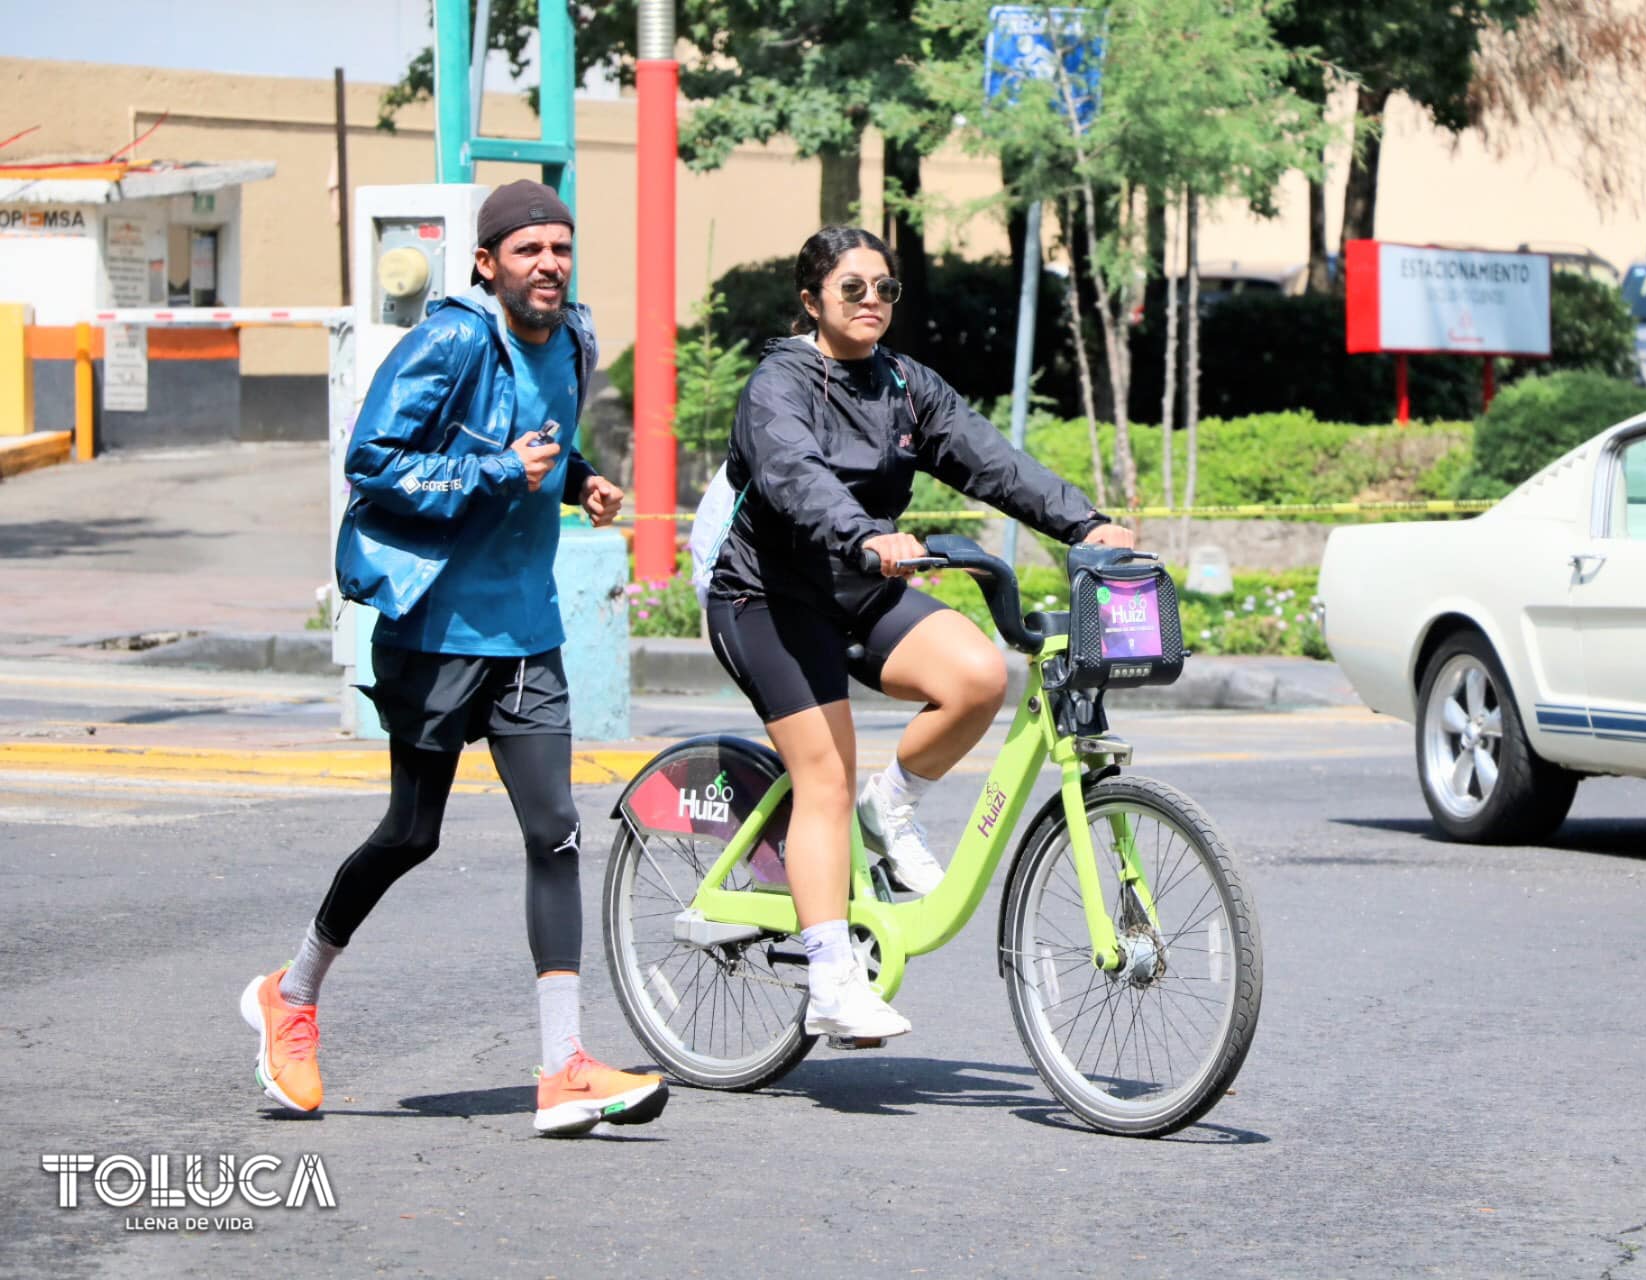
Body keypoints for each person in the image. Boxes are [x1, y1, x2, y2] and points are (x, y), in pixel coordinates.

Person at [241, 180, 667, 1137]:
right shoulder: (450, 340)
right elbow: (371, 463)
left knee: (556, 831)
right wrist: (488, 472)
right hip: (434, 630)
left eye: (561, 247)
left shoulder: (574, 342)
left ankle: (562, 1068)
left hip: (528, 634)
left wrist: (584, 482)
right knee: (411, 834)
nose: (550, 264)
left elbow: (542, 452)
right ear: (488, 263)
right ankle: (292, 992)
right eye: (529, 251)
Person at [703, 225, 1134, 1040]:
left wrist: (1086, 523)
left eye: (885, 289)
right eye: (852, 289)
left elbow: (991, 461)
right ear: (811, 301)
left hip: (863, 587)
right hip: (769, 597)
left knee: (979, 677)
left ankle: (891, 807)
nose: (872, 303)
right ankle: (831, 976)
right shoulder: (778, 384)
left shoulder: (905, 383)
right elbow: (794, 474)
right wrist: (864, 532)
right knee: (823, 777)